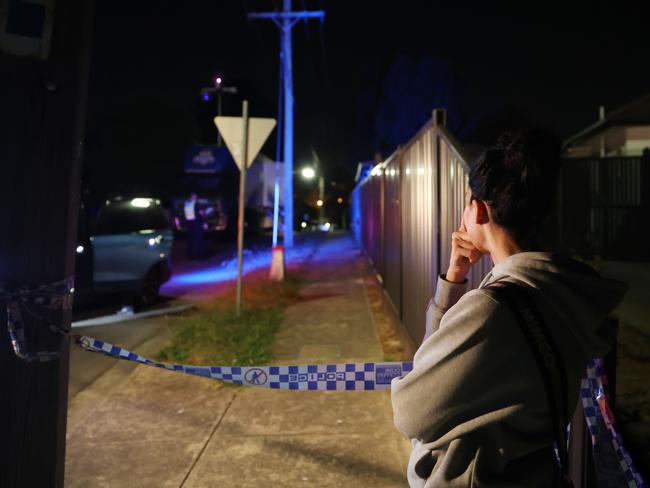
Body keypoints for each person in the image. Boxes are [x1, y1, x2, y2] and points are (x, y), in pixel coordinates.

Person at [391, 129, 627, 487]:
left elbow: (410, 411)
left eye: (468, 202)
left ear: (480, 210)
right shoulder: (560, 292)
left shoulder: (490, 310)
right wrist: (454, 282)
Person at [184, 192, 204, 260]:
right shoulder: (196, 204)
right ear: (194, 197)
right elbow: (201, 214)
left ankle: (190, 257)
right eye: (195, 197)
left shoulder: (187, 204)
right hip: (197, 224)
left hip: (190, 225)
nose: (196, 198)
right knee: (198, 241)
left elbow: (186, 215)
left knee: (191, 241)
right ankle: (198, 257)